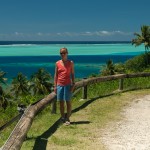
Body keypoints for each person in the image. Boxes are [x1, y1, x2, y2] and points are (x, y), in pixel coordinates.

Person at [54, 47, 75, 125]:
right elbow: (56, 75)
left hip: (68, 85)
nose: (62, 54)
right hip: (59, 85)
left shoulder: (71, 63)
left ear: (67, 53)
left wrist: (73, 83)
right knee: (61, 103)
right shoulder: (57, 63)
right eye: (61, 53)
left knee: (68, 102)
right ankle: (62, 117)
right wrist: (55, 86)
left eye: (64, 53)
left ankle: (67, 118)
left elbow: (72, 74)